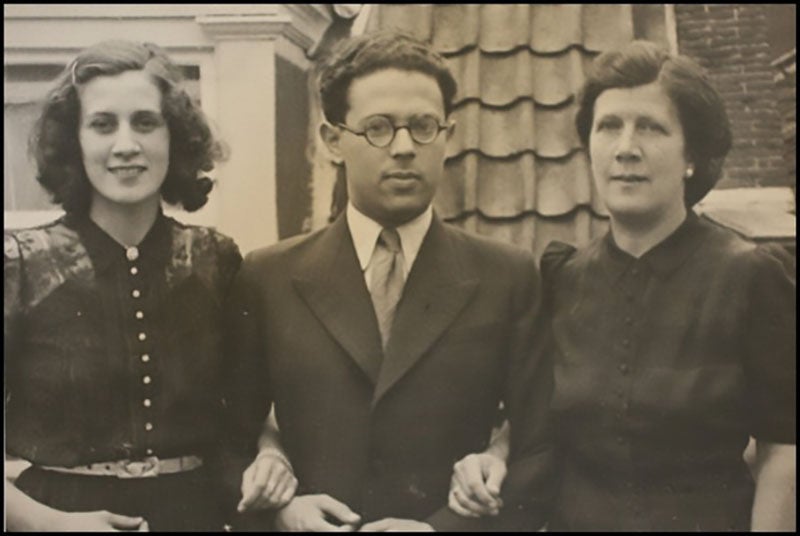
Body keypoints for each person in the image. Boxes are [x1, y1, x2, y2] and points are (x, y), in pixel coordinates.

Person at [448, 40, 796, 531]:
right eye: (609, 126)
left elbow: (785, 449)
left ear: (691, 155)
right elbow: (540, 419)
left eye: (651, 128)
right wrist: (496, 454)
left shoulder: (750, 276)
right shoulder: (563, 278)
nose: (625, 148)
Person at [224, 30, 555, 532]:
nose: (404, 148)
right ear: (333, 140)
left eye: (423, 126)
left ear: (448, 134)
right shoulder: (268, 277)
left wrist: (441, 529)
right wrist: (284, 513)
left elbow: (539, 446)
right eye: (377, 128)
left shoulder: (507, 275)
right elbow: (227, 440)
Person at [4, 40, 295, 531]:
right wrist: (48, 524)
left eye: (145, 122)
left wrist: (273, 454)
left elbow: (248, 416)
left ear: (173, 137)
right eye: (102, 124)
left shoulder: (214, 261)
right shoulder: (20, 266)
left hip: (194, 517)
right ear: (73, 141)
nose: (125, 145)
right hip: (57, 519)